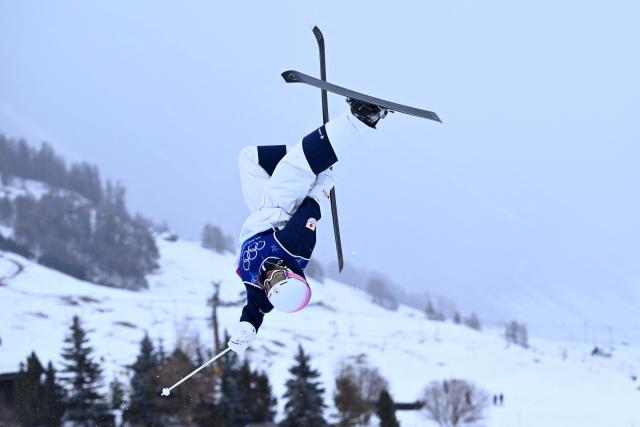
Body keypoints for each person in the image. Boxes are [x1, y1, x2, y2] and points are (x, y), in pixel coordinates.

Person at [227, 98, 389, 353]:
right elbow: (311, 209)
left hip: (260, 211)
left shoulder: (262, 289)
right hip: (284, 205)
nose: (270, 277)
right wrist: (322, 181)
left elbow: (255, 311)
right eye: (279, 276)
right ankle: (361, 118)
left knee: (249, 158)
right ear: (290, 274)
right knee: (298, 165)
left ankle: (317, 155)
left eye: (270, 284)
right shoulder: (294, 249)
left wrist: (246, 330)